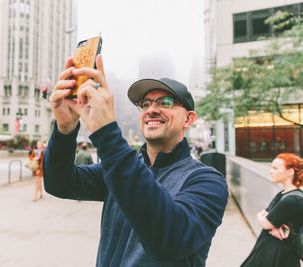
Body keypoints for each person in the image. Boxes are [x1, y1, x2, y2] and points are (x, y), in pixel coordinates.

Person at [43, 55, 228, 266]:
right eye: (145, 104)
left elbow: (169, 240)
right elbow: (60, 183)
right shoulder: (116, 171)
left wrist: (105, 131)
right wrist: (65, 129)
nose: (151, 110)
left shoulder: (207, 181)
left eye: (165, 102)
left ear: (189, 119)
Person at [241, 153, 303, 267]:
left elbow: (266, 222)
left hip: (279, 255)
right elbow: (265, 217)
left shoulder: (293, 199)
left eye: (275, 168)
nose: (270, 171)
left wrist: (268, 221)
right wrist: (272, 223)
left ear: (290, 172)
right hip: (272, 250)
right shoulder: (283, 194)